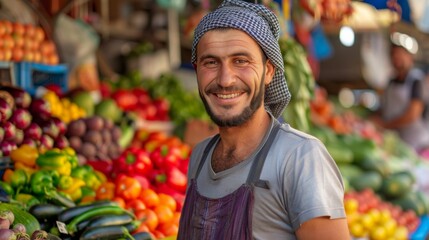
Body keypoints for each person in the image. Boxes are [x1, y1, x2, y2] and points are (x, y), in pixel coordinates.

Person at [177, 0, 350, 239]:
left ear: (268, 71)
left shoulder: (300, 158)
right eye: (211, 62)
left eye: (241, 61)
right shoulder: (199, 156)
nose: (225, 79)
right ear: (196, 70)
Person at [374, 43, 429, 154]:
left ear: (410, 57)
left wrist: (385, 125)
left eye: (400, 55)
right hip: (398, 143)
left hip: (417, 144)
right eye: (394, 56)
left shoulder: (416, 81)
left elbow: (412, 115)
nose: (397, 59)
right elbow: (385, 108)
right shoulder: (390, 83)